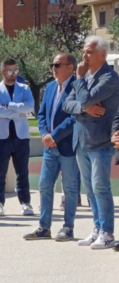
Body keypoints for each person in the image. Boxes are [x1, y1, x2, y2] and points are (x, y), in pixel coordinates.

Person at [66, 36, 119, 249]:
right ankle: (97, 228)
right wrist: (83, 108)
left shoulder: (110, 78)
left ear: (102, 54)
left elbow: (86, 98)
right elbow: (67, 104)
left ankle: (107, 232)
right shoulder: (85, 77)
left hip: (101, 141)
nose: (84, 55)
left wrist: (79, 83)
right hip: (81, 140)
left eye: (89, 51)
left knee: (100, 187)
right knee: (89, 188)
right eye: (84, 51)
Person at [24, 54, 79, 242]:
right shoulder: (49, 87)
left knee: (70, 188)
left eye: (57, 64)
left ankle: (68, 228)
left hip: (68, 146)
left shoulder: (78, 87)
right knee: (45, 185)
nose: (53, 68)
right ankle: (44, 227)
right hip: (50, 148)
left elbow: (75, 117)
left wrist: (54, 136)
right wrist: (44, 134)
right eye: (52, 64)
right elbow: (41, 114)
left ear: (70, 67)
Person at [0, 58, 35, 217]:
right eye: (9, 71)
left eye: (15, 70)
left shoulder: (24, 88)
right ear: (2, 72)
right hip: (1, 138)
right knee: (0, 172)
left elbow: (30, 107)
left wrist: (11, 106)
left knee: (23, 172)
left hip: (21, 137)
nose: (13, 74)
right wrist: (18, 112)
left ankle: (25, 203)